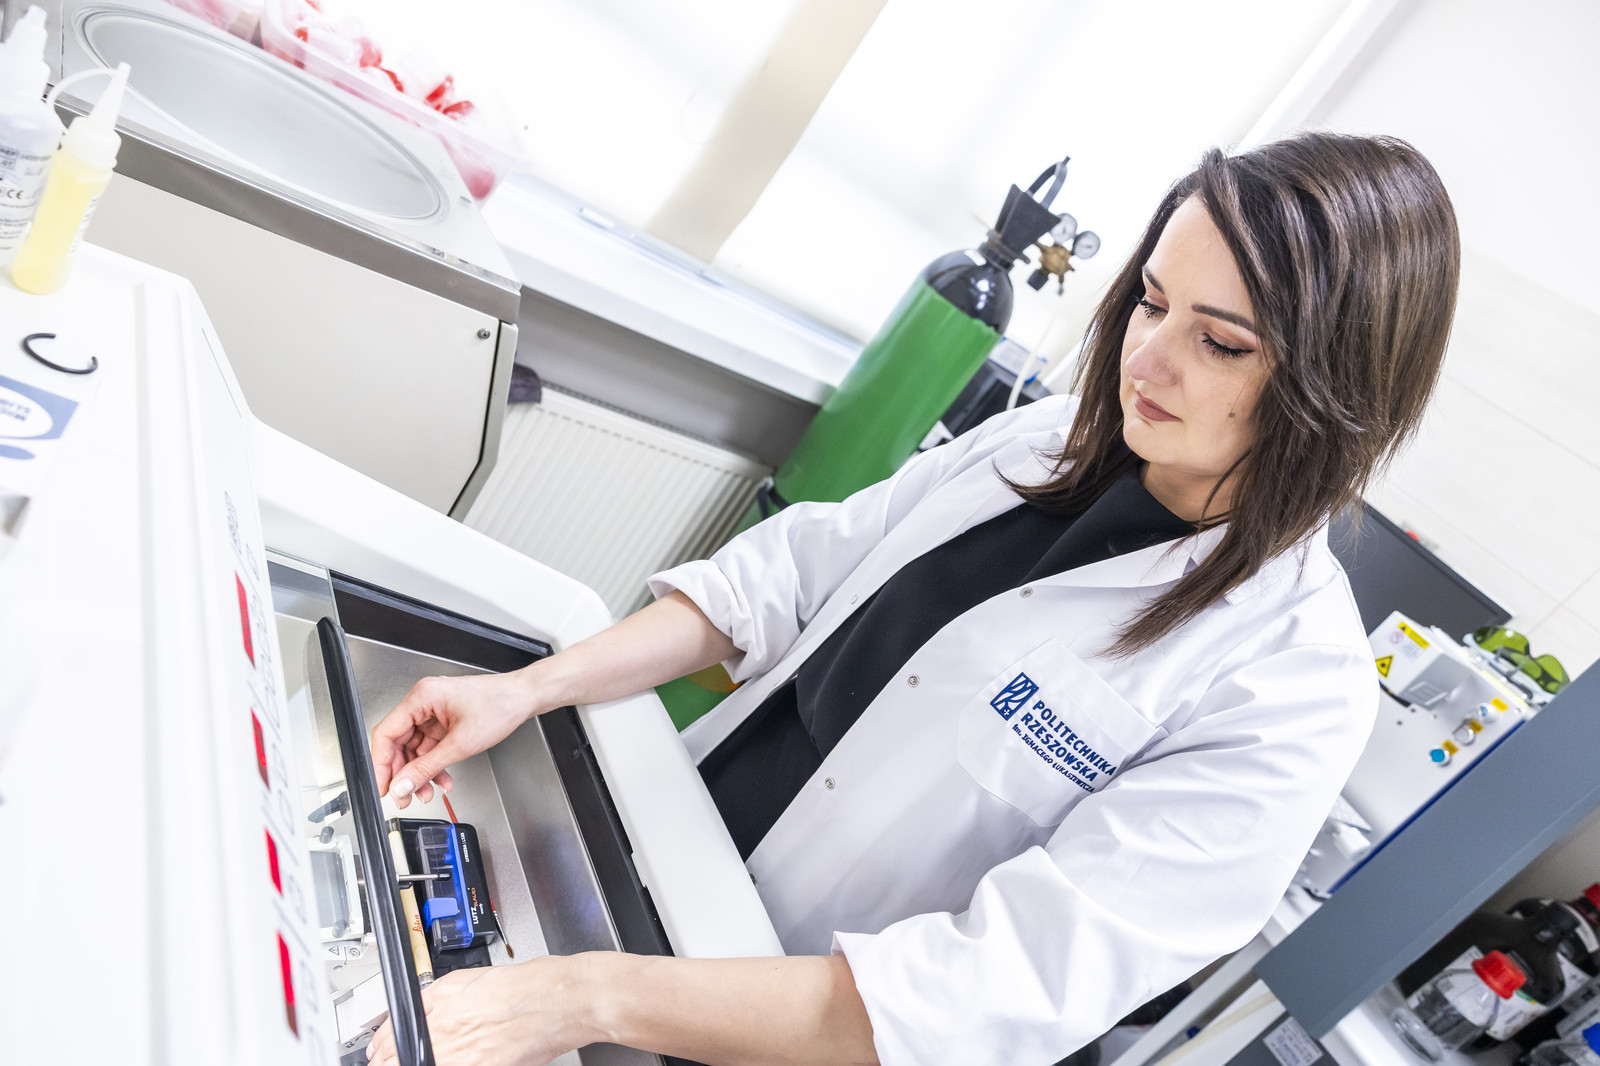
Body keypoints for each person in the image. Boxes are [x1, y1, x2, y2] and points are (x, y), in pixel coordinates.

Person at [366, 132, 1460, 1066]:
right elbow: (787, 574)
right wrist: (530, 688)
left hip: (792, 1024)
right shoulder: (1047, 438)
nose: (1147, 360)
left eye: (1219, 342)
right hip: (659, 865)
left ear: (1334, 390)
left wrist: (586, 996)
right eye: (1151, 302)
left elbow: (984, 987)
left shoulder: (1290, 686)